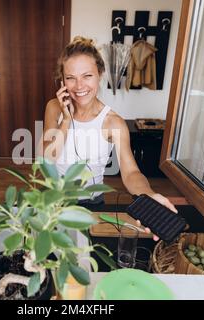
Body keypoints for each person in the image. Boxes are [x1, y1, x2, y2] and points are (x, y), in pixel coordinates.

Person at [41, 37, 178, 241]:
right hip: (53, 199)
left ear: (99, 75)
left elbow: (131, 172)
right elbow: (47, 157)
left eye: (87, 76)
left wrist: (148, 195)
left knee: (85, 257)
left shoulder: (114, 123)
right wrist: (66, 120)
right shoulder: (54, 107)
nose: (79, 86)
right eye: (71, 78)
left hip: (91, 202)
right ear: (62, 81)